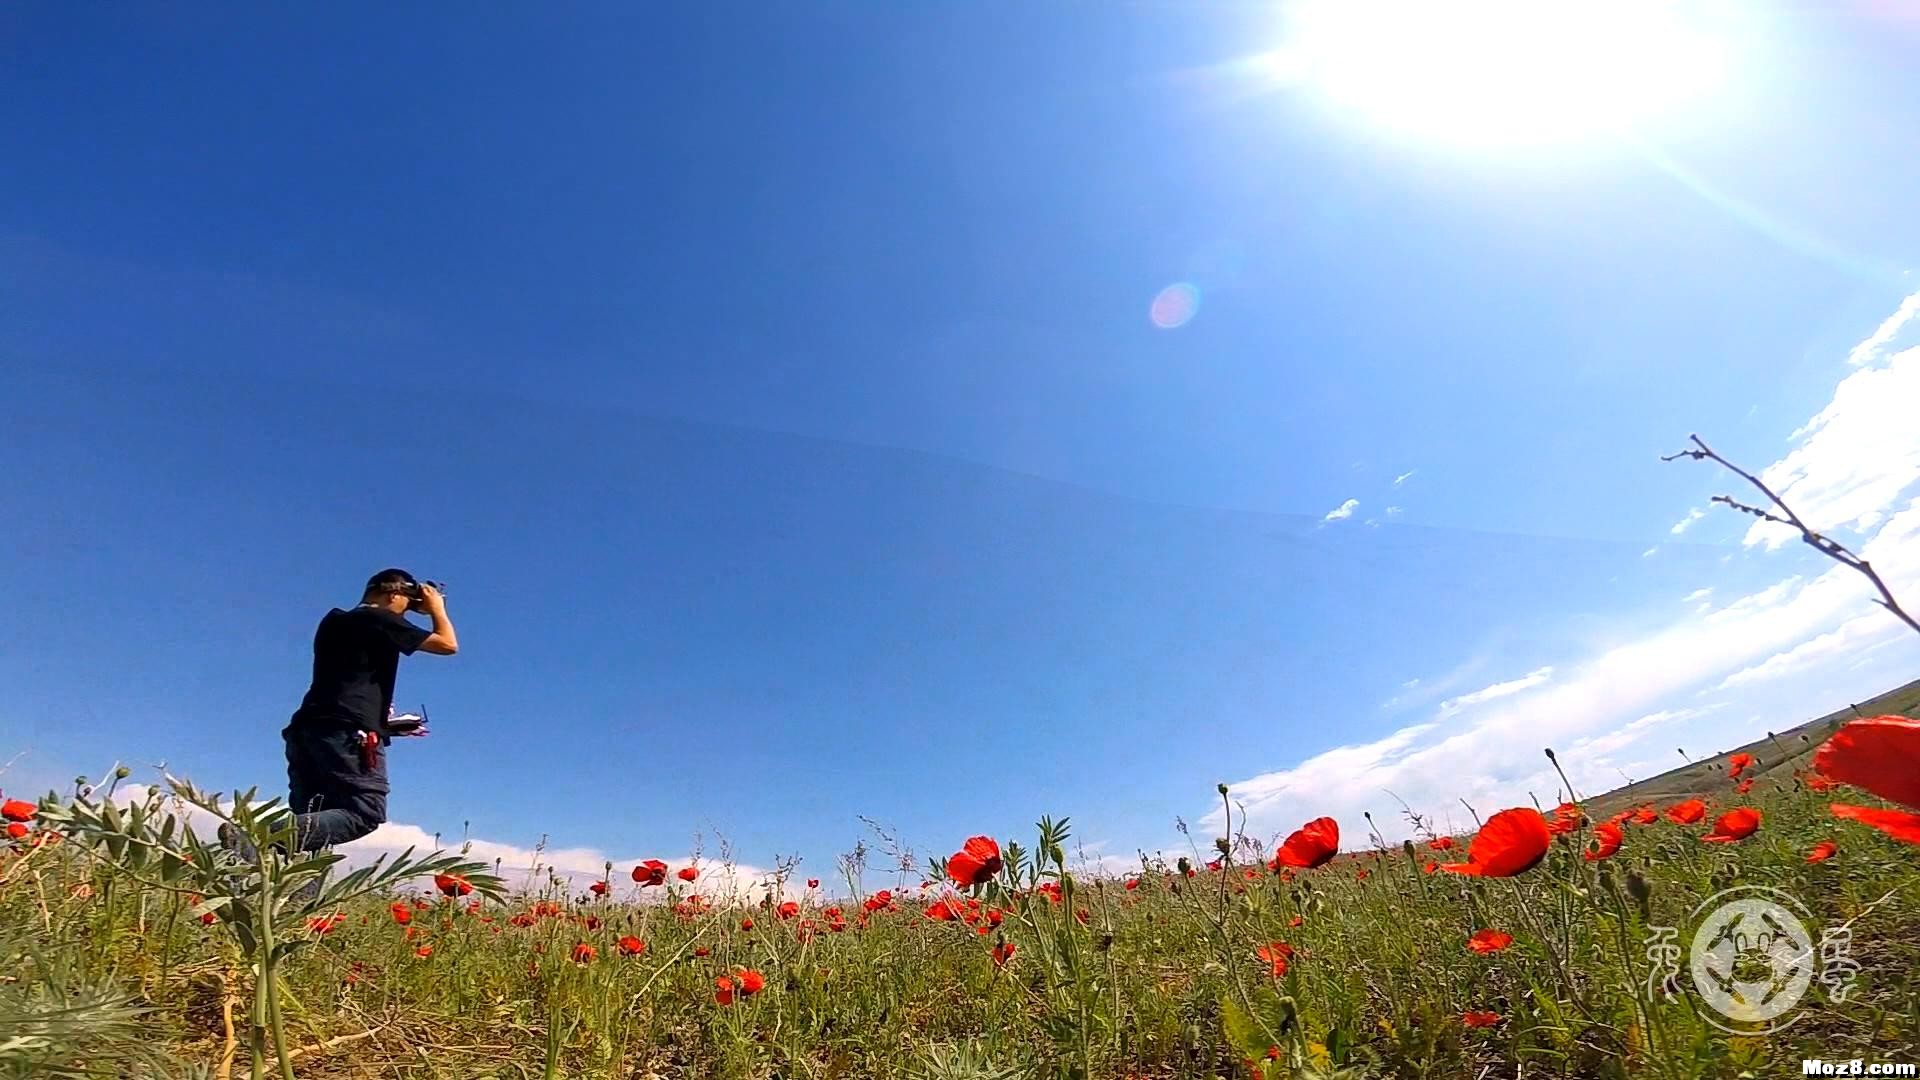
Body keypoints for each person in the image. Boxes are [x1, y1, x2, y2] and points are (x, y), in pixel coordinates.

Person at [227, 569, 458, 858]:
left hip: (309, 729)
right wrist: (436, 607)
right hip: (348, 732)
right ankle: (251, 838)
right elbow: (447, 644)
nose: (409, 612)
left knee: (312, 827)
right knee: (363, 813)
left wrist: (386, 724)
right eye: (408, 604)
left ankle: (292, 900)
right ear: (392, 595)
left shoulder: (335, 621)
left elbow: (350, 680)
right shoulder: (378, 618)